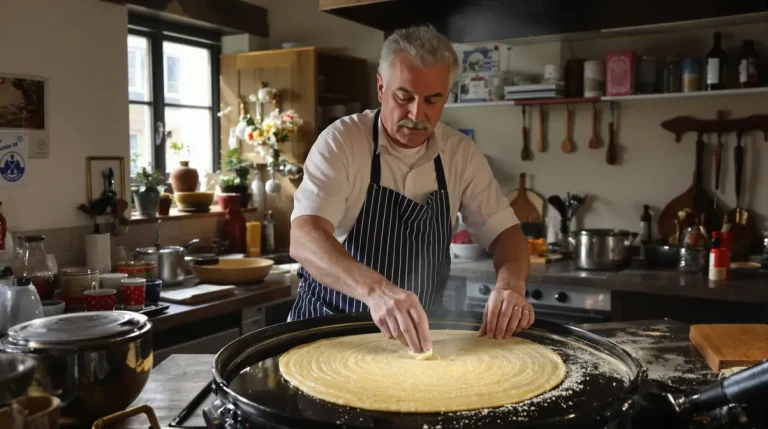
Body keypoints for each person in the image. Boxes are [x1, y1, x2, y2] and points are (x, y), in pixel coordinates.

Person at [288, 25, 532, 353]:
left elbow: (506, 234)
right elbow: (304, 237)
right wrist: (376, 291)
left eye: (433, 100)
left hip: (414, 344)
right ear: (380, 87)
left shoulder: (460, 153)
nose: (418, 114)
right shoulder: (342, 142)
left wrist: (511, 285)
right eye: (404, 97)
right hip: (329, 334)